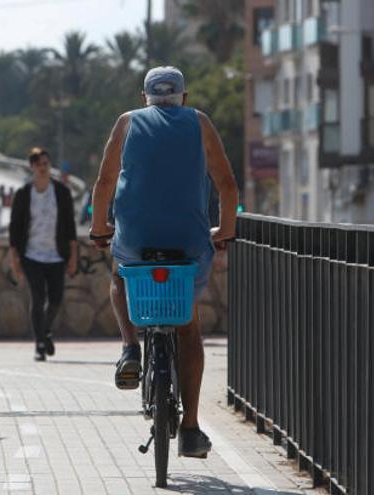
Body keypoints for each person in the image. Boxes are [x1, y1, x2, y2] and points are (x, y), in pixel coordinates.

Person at [89, 67, 238, 458]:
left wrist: (99, 227)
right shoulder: (200, 123)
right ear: (183, 98)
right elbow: (227, 184)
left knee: (120, 276)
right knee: (188, 327)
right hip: (189, 242)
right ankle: (190, 428)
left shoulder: (127, 122)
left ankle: (129, 349)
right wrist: (226, 232)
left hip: (136, 239)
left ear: (145, 99)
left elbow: (104, 183)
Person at [8, 147, 78, 361]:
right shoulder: (23, 194)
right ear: (32, 167)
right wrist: (15, 260)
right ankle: (39, 343)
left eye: (46, 164)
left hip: (56, 255)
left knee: (56, 298)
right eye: (39, 164)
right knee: (38, 298)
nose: (43, 168)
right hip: (31, 255)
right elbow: (15, 230)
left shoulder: (61, 192)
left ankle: (45, 330)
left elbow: (70, 227)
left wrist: (73, 256)